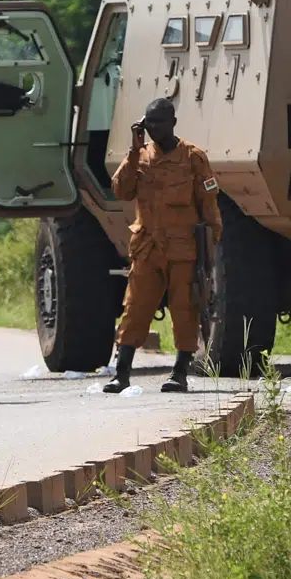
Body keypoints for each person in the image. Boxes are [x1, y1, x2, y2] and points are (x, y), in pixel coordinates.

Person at [104, 98, 223, 395]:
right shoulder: (140, 157)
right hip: (147, 249)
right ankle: (121, 374)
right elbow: (120, 190)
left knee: (185, 310)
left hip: (184, 251)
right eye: (149, 123)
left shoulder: (193, 158)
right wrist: (133, 150)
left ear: (173, 123)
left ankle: (179, 373)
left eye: (159, 122)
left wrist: (209, 252)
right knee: (135, 309)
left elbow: (210, 210)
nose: (154, 128)